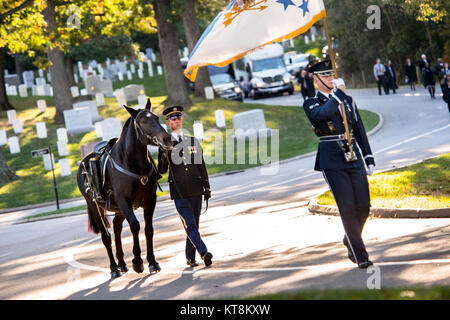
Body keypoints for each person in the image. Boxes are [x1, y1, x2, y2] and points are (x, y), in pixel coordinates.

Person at [303, 60, 376, 269]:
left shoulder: (348, 100)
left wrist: (369, 157)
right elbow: (321, 115)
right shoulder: (311, 103)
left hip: (354, 157)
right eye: (325, 76)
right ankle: (360, 253)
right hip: (332, 160)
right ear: (316, 80)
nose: (330, 79)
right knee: (347, 207)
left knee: (363, 205)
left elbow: (359, 129)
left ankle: (349, 237)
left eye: (331, 75)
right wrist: (337, 96)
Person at [157, 106, 213, 267]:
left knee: (193, 225)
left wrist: (207, 186)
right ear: (168, 123)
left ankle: (190, 257)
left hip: (196, 189)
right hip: (180, 191)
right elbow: (161, 170)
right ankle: (204, 252)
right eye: (173, 119)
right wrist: (165, 156)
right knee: (190, 224)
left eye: (179, 118)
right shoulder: (165, 144)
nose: (177, 121)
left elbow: (200, 164)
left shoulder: (192, 141)